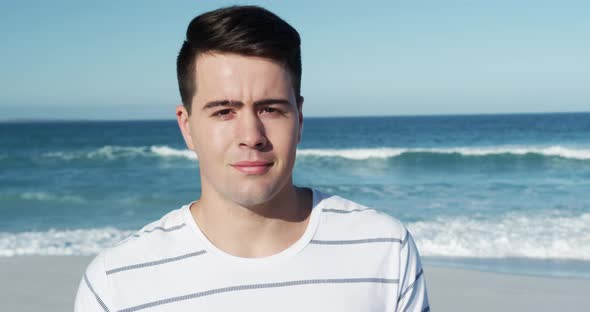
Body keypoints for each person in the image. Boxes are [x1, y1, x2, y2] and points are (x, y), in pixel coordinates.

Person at [75, 5, 429, 311]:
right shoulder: (117, 282)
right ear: (187, 127)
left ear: (299, 118)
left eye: (270, 109)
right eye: (224, 112)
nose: (251, 137)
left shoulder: (383, 250)